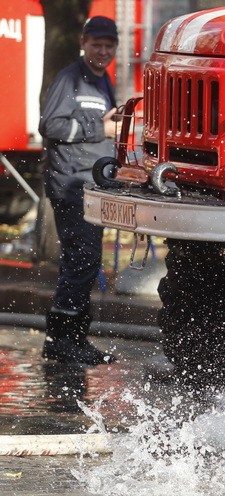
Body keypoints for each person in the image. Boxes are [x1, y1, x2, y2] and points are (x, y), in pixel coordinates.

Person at [38, 16, 119, 365]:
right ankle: (62, 340)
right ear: (83, 43)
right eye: (96, 44)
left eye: (108, 45)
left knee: (84, 260)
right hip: (71, 184)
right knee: (82, 259)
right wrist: (100, 129)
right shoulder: (70, 78)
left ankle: (73, 339)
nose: (102, 51)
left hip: (92, 185)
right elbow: (50, 125)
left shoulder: (103, 81)